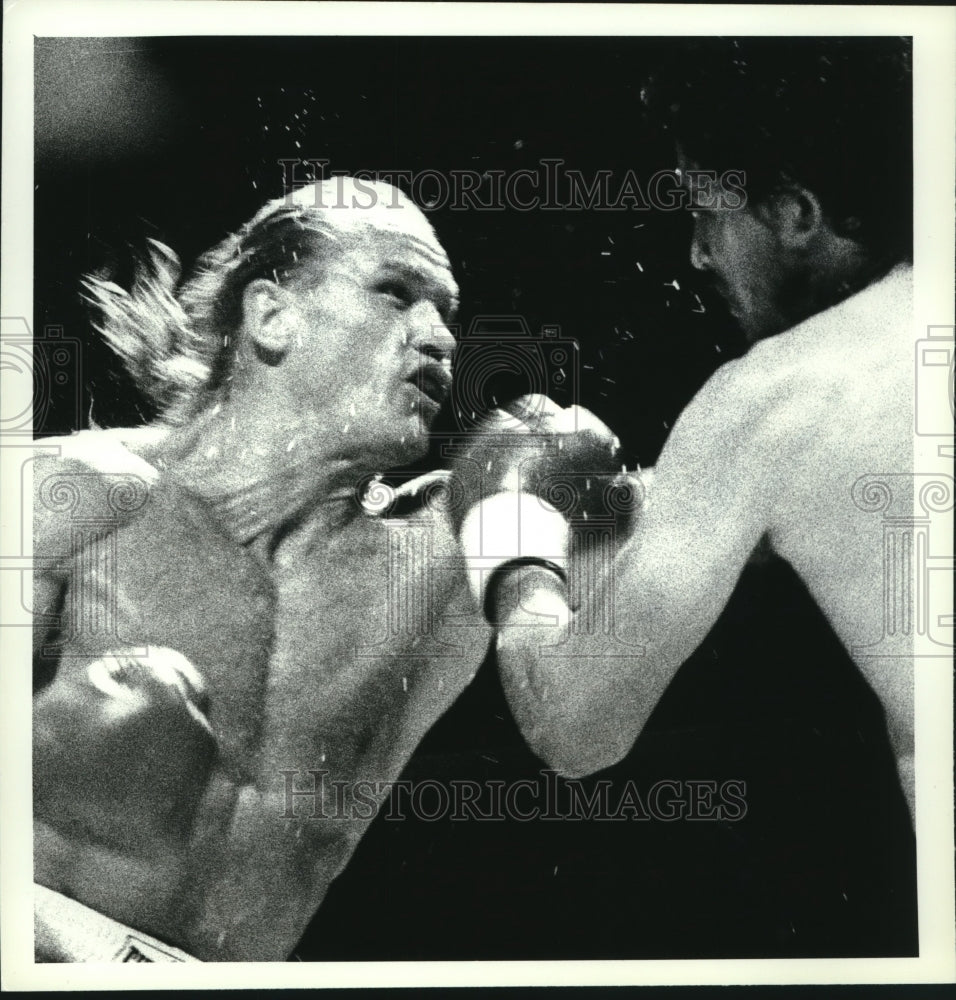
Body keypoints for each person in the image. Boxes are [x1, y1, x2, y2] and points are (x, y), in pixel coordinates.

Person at [31, 177, 626, 962]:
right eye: (396, 292)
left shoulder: (435, 561)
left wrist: (575, 475)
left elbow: (718, 523)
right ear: (272, 315)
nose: (440, 337)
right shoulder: (74, 494)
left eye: (447, 311)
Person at [468, 39, 919, 822]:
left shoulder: (773, 396)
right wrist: (631, 502)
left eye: (708, 211)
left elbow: (574, 726)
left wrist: (511, 536)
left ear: (795, 213)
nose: (698, 252)